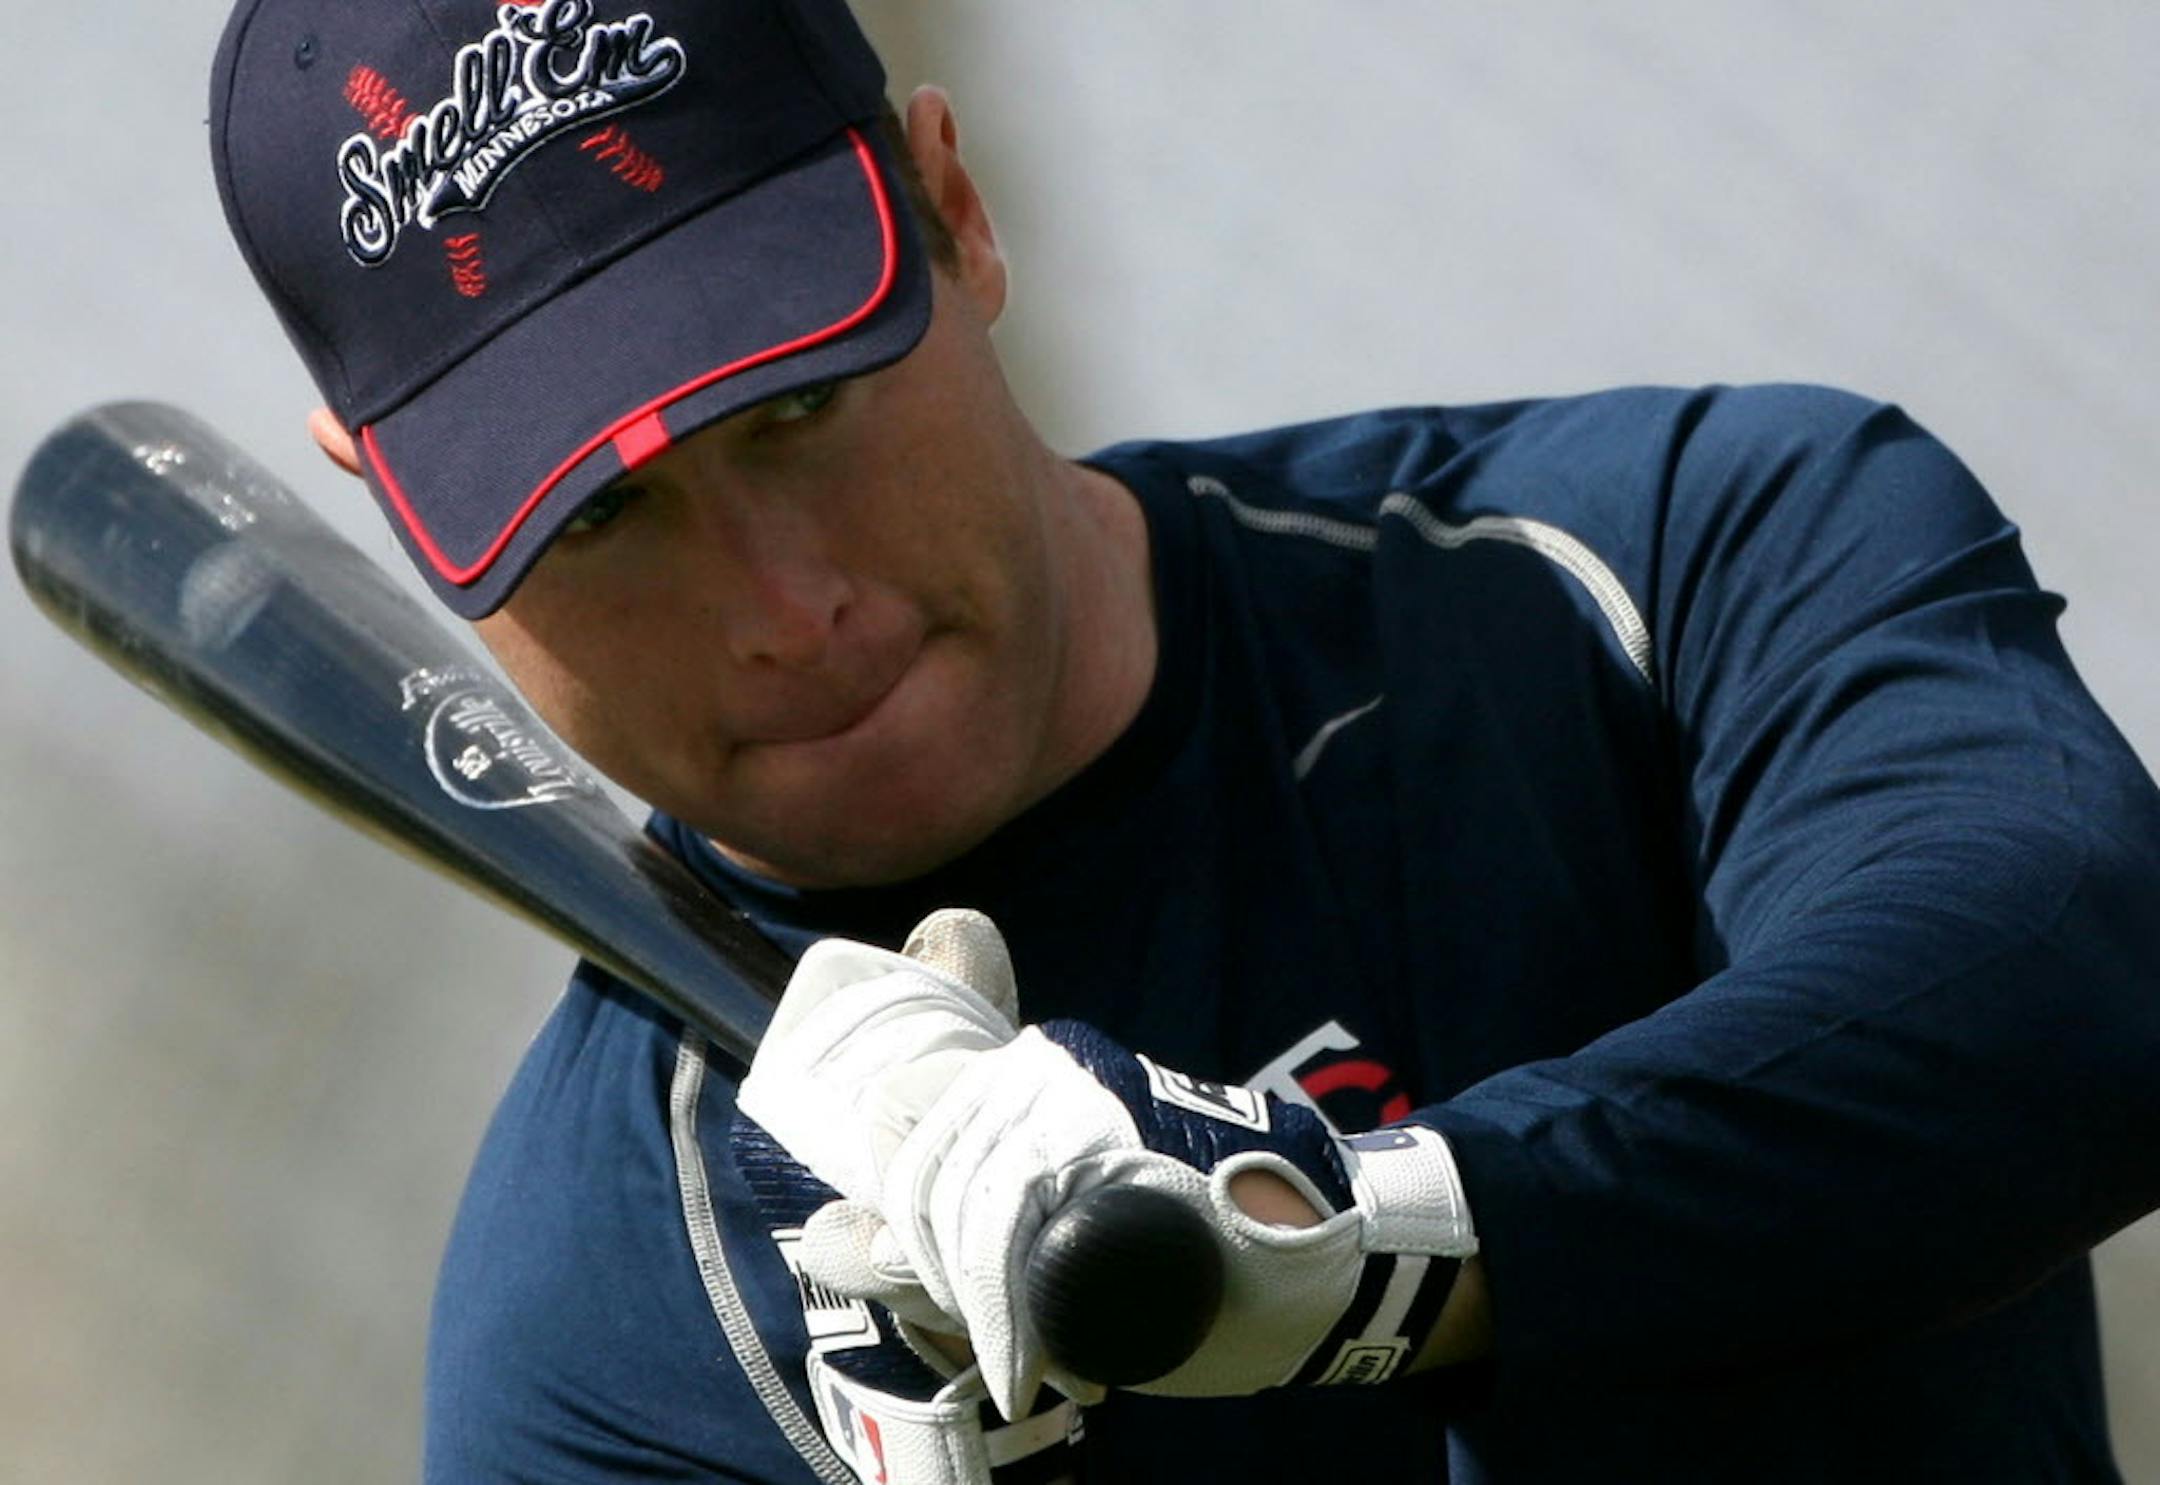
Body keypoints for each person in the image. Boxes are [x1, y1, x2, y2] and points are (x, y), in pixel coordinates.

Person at [208, 0, 2160, 1479]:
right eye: (607, 515)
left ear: (956, 213)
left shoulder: (1650, 566)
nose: (783, 605)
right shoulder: (617, 1326)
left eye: (798, 408)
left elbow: (2079, 974)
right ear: (398, 510)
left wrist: (1365, 1240)